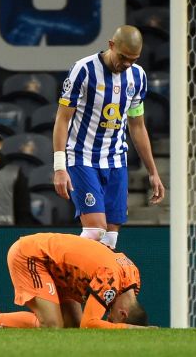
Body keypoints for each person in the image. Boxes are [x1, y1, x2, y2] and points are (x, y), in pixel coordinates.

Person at [53, 25, 165, 249]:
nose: (127, 64)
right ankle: (61, 264)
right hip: (82, 157)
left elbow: (137, 126)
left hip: (115, 161)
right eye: (123, 57)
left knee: (109, 240)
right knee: (95, 231)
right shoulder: (83, 70)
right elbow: (62, 119)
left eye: (133, 59)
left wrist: (153, 171)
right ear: (111, 45)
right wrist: (59, 166)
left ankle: (95, 285)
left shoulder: (137, 77)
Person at [0, 232, 150, 329]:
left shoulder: (133, 276)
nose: (108, 320)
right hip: (32, 255)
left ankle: (0, 322)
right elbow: (91, 324)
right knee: (52, 326)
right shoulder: (111, 280)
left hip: (61, 270)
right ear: (123, 314)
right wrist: (132, 329)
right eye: (112, 320)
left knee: (72, 327)